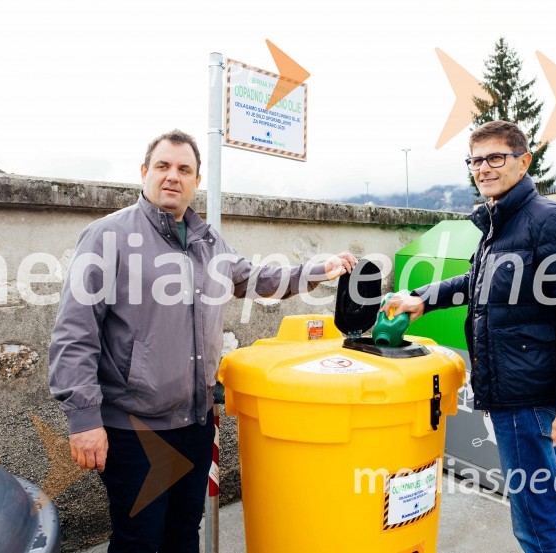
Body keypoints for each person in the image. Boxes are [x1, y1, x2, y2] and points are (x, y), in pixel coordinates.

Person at [49, 129, 357, 552]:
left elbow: (256, 278)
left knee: (183, 535)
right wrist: (84, 420)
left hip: (194, 424)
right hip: (134, 429)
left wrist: (318, 269)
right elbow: (74, 331)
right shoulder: (108, 236)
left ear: (196, 182)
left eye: (184, 169)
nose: (172, 176)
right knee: (138, 540)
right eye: (163, 166)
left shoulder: (207, 241)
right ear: (144, 173)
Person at [384, 120, 556, 553]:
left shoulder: (548, 221)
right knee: (548, 505)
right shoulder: (499, 222)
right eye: (475, 160)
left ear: (523, 162)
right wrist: (423, 298)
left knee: (533, 521)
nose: (483, 168)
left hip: (528, 399)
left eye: (495, 158)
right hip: (516, 392)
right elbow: (478, 281)